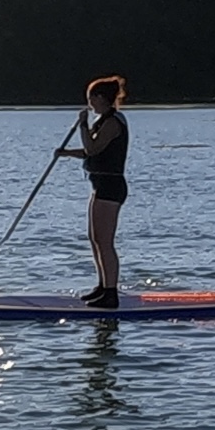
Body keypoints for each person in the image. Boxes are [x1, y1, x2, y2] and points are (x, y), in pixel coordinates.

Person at [57, 76, 130, 306]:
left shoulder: (113, 123)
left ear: (100, 98)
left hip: (111, 187)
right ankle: (102, 286)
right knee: (95, 239)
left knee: (105, 241)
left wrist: (82, 125)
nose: (89, 104)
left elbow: (92, 148)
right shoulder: (102, 122)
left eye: (91, 99)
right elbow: (90, 151)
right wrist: (66, 153)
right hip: (99, 186)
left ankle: (111, 293)